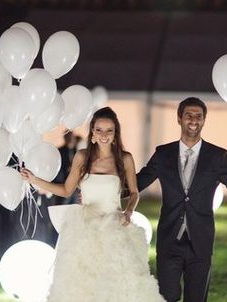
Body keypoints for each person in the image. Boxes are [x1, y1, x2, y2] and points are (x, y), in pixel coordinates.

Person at [136, 97, 227, 302]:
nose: (193, 120)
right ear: (179, 119)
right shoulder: (163, 154)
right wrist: (106, 186)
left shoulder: (217, 156)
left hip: (201, 241)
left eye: (198, 116)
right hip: (169, 240)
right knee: (166, 296)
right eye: (188, 115)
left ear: (204, 120)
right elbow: (137, 183)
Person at [21, 107, 165, 302]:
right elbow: (65, 190)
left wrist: (129, 211)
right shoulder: (82, 157)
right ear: (93, 133)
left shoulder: (125, 159)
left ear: (115, 134)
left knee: (118, 281)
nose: (104, 135)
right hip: (85, 226)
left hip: (114, 224)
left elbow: (133, 193)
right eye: (99, 130)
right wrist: (35, 180)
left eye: (109, 130)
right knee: (82, 282)